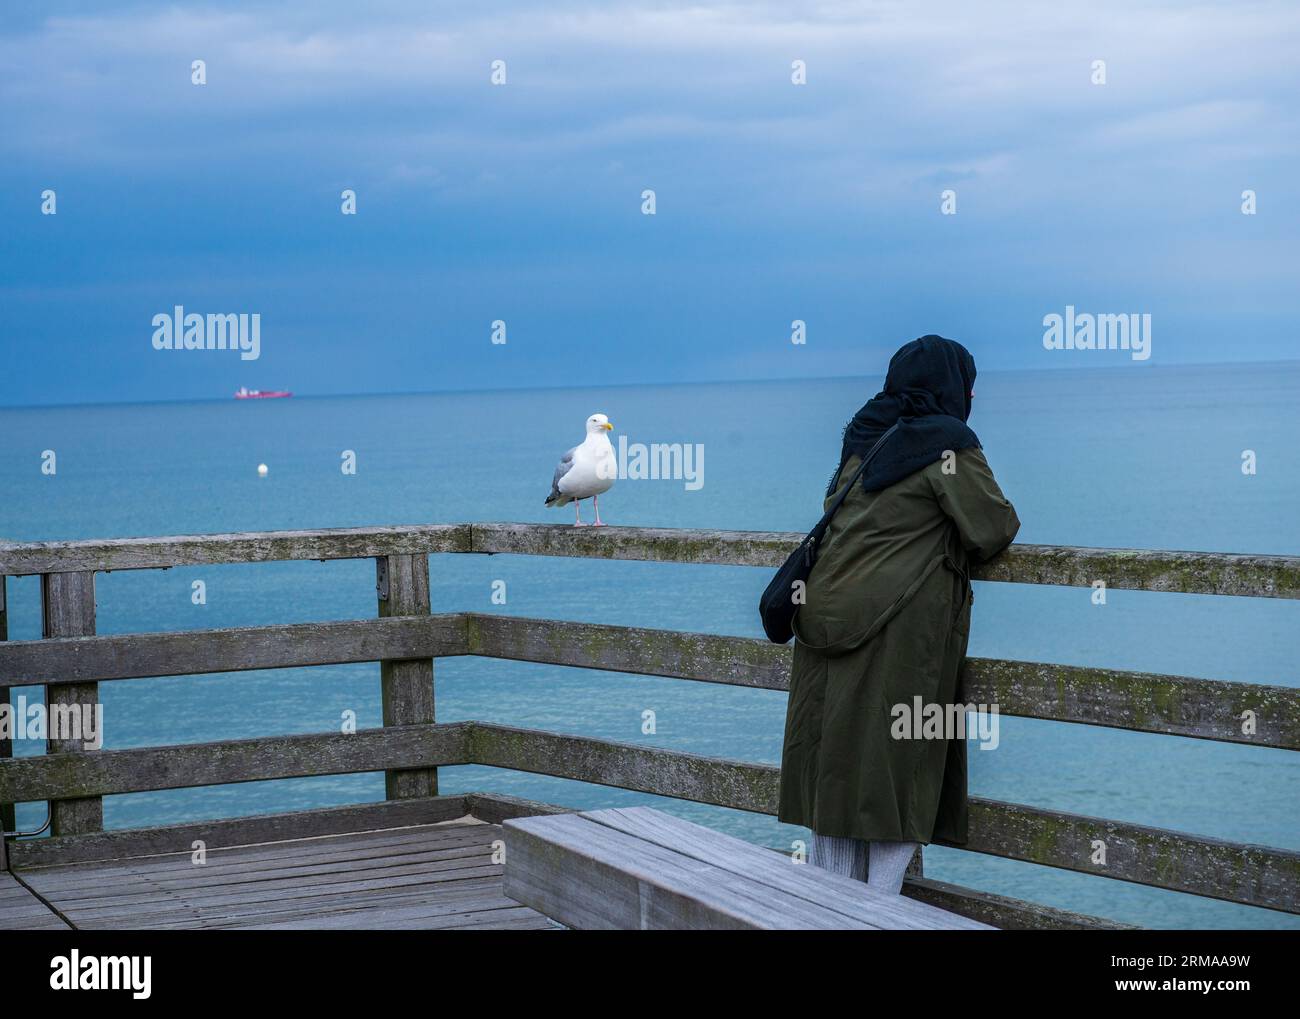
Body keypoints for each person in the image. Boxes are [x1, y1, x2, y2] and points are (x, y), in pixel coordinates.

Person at [777, 335, 1020, 894]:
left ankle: (827, 909)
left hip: (822, 616)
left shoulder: (865, 435)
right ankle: (876, 911)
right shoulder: (947, 445)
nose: (972, 396)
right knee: (898, 774)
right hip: (894, 629)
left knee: (836, 774)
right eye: (968, 384)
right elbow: (992, 527)